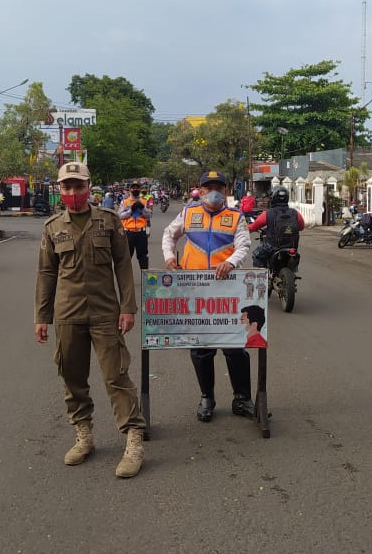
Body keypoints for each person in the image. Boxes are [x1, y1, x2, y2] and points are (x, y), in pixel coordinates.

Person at [34, 161, 146, 479]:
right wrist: (42, 316)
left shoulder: (109, 222)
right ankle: (84, 436)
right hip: (68, 314)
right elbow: (46, 274)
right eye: (66, 187)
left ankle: (134, 440)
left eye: (78, 186)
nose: (73, 193)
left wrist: (128, 308)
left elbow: (123, 266)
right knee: (72, 378)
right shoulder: (53, 228)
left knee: (116, 377)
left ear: (89, 187)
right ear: (60, 190)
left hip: (105, 313)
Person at [162, 170, 254, 422]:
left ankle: (242, 398)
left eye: (218, 187)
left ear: (225, 191)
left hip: (227, 290)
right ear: (199, 191)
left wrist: (232, 262)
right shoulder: (188, 213)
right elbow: (169, 235)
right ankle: (207, 397)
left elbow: (244, 245)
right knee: (201, 348)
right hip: (196, 290)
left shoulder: (236, 216)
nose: (212, 191)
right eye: (207, 187)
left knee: (235, 347)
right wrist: (169, 256)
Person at [248, 186, 304, 268]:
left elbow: (254, 227)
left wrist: (244, 228)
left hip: (272, 246)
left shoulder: (268, 213)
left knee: (256, 255)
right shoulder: (295, 213)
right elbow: (301, 227)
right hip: (291, 246)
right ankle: (293, 270)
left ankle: (261, 279)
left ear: (273, 198)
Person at [118, 181, 151, 270]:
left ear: (139, 190)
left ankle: (145, 280)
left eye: (137, 188)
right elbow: (120, 216)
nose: (135, 189)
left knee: (143, 257)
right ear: (130, 190)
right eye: (133, 188)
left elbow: (148, 216)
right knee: (126, 257)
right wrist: (131, 210)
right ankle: (125, 281)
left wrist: (142, 208)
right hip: (128, 233)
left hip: (141, 233)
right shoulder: (125, 202)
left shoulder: (144, 201)